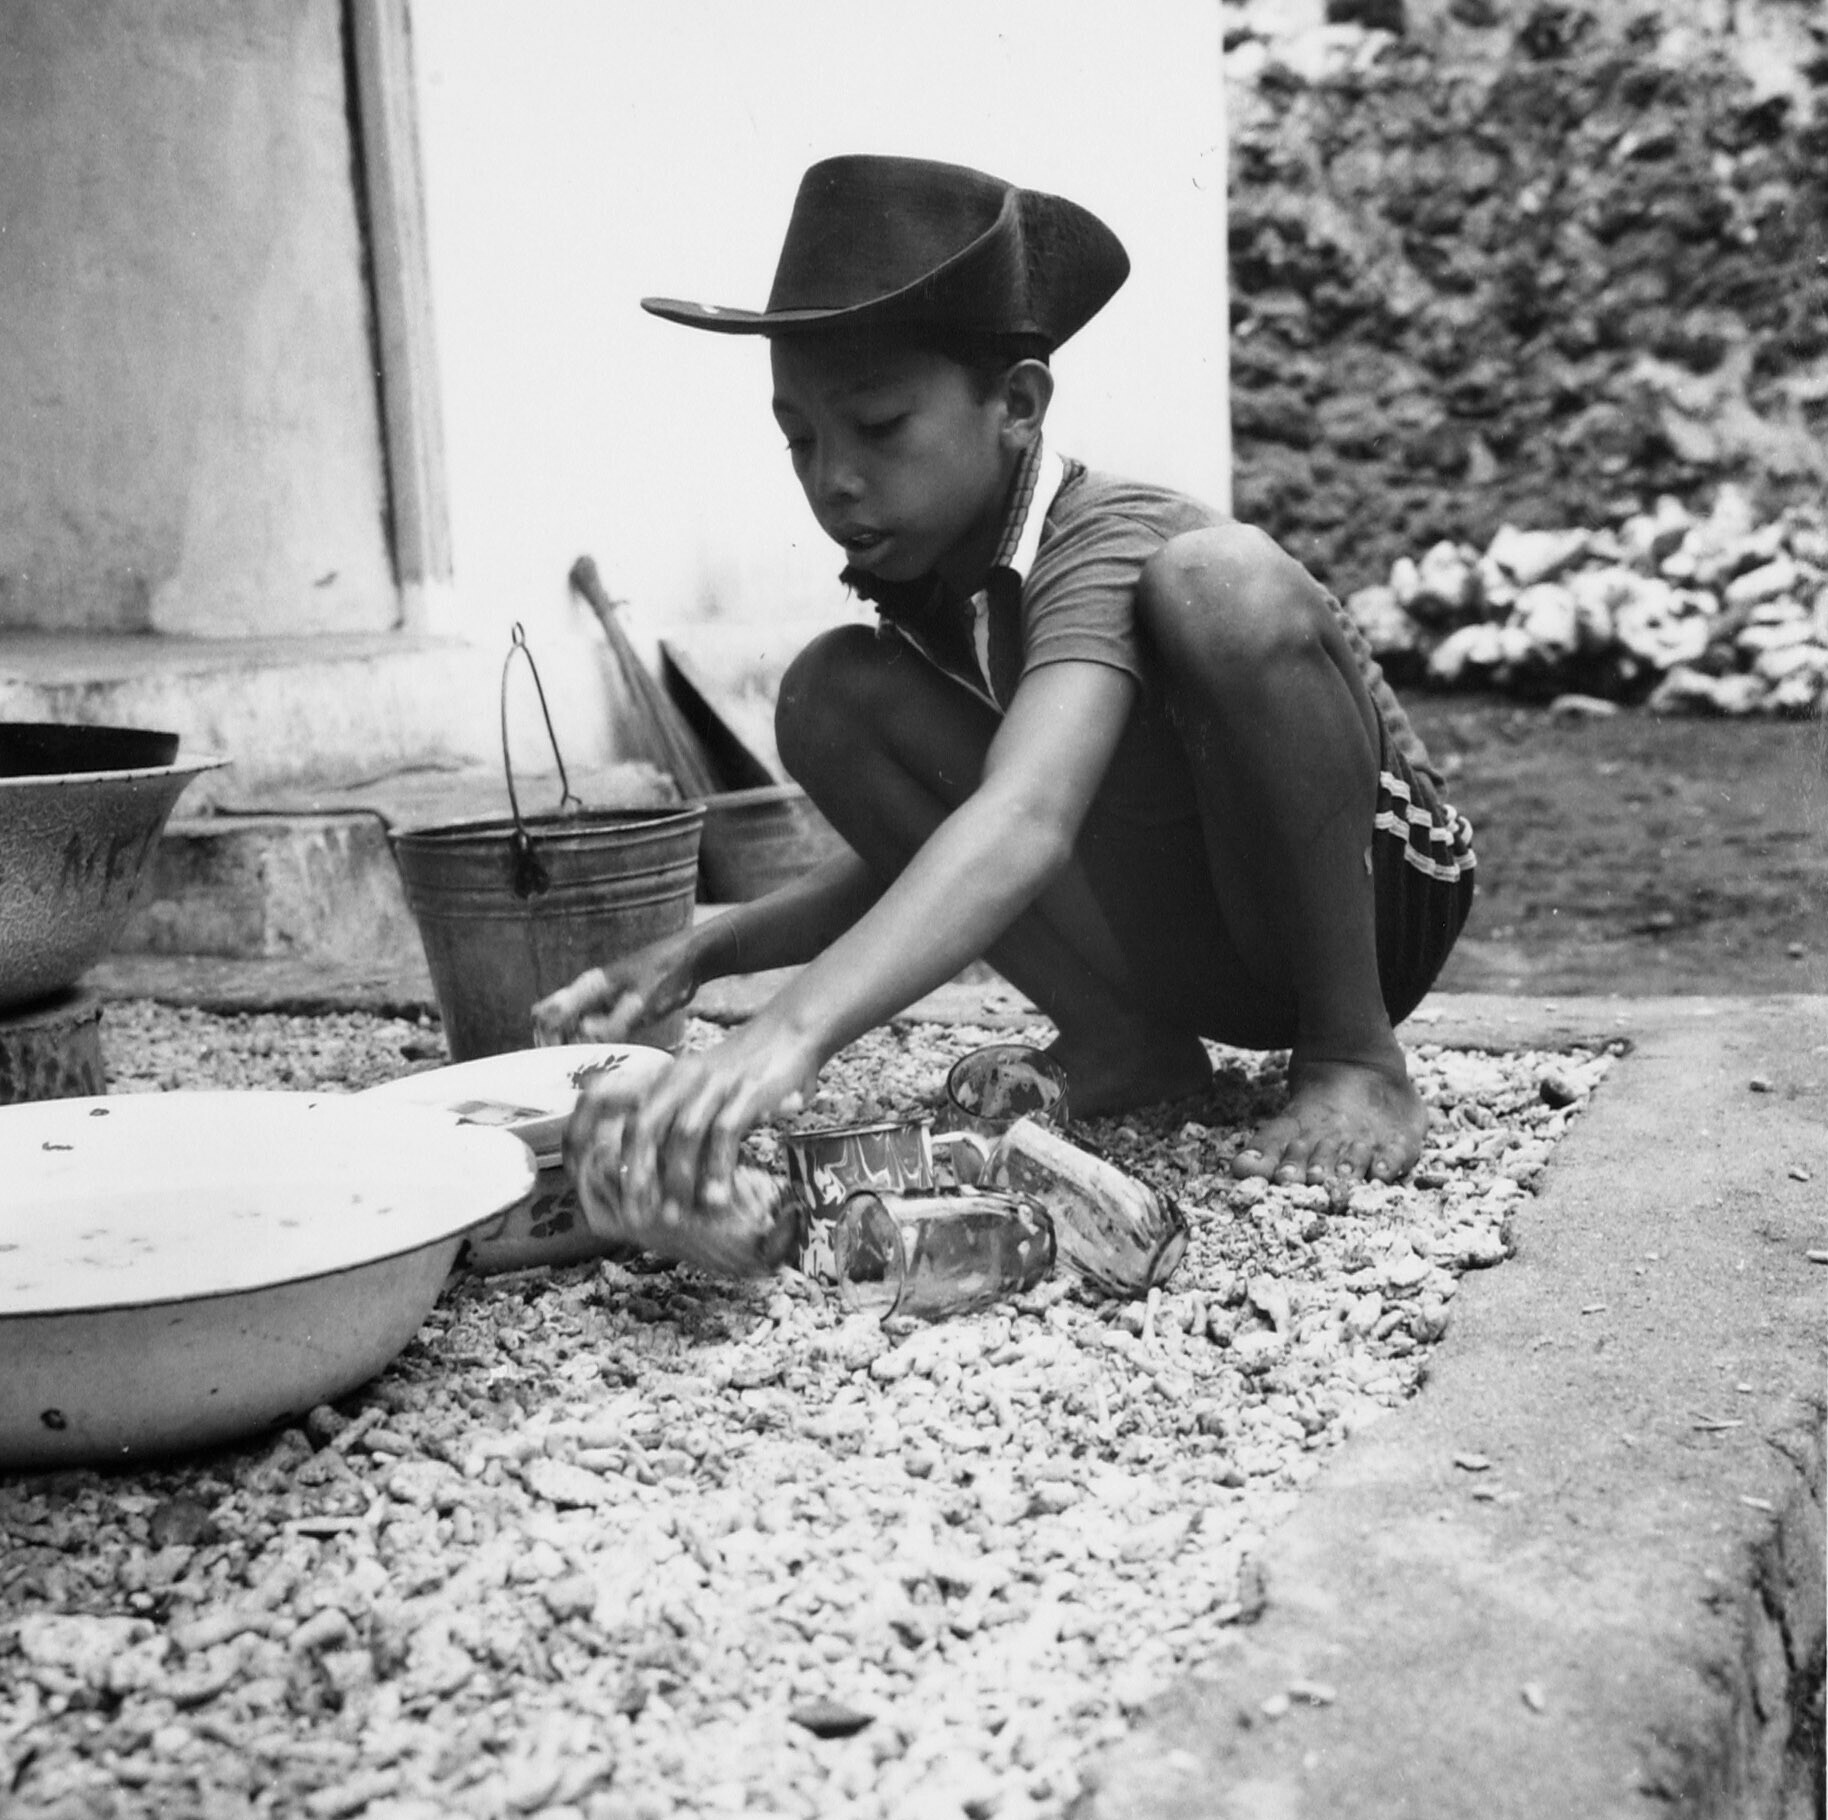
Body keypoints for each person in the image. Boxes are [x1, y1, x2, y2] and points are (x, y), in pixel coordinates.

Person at [534, 154, 1475, 1224]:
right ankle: (1131, 1044)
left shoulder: (1102, 538)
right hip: (1207, 919)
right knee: (830, 692)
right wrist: (706, 952)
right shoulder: (944, 583)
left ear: (1018, 405)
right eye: (800, 438)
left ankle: (1355, 1054)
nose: (833, 479)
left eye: (879, 426)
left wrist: (786, 1034)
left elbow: (1022, 820)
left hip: (1378, 899)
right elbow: (952, 843)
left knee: (1220, 584)